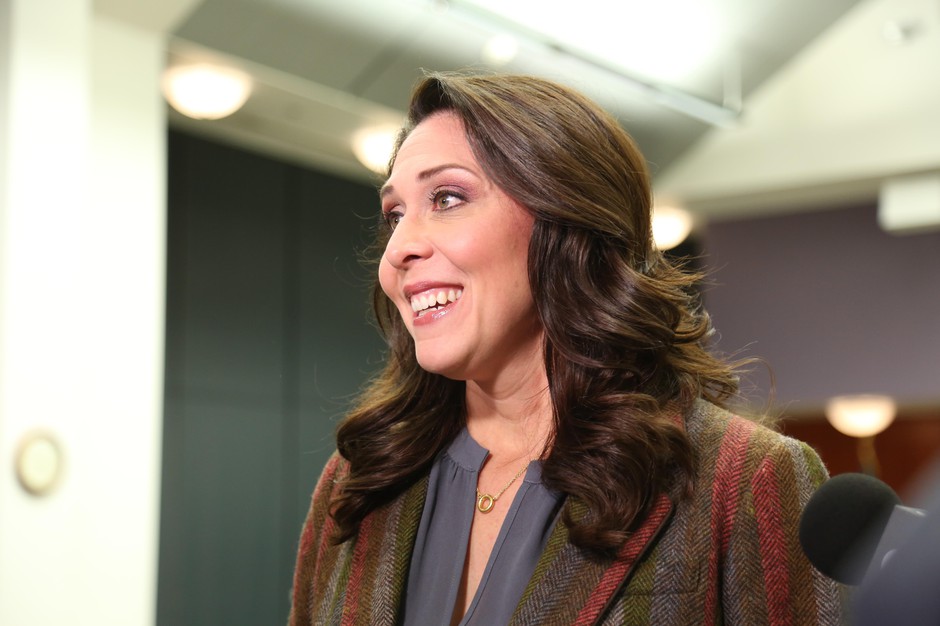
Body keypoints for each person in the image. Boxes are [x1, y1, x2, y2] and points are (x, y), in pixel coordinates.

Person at [287, 72, 845, 625]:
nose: (400, 249)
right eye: (395, 215)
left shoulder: (745, 478)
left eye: (448, 198)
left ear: (567, 220)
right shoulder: (359, 478)